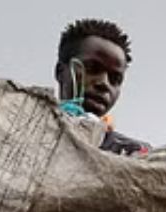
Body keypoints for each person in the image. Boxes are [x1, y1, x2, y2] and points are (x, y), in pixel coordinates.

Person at [55, 18, 148, 156]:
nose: (104, 83)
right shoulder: (22, 126)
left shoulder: (134, 154)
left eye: (115, 79)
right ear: (60, 72)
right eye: (92, 68)